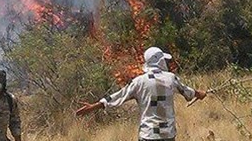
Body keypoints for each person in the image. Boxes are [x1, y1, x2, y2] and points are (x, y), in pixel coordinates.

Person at [76, 46, 206, 141]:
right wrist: (200, 94)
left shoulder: (139, 82)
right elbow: (189, 93)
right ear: (160, 61)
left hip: (148, 135)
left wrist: (94, 106)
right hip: (168, 135)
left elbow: (118, 97)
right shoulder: (171, 78)